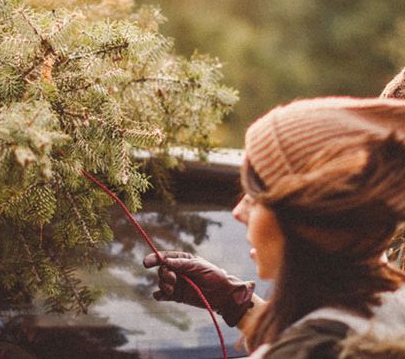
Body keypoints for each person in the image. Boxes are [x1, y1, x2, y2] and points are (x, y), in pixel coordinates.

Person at [144, 96, 405, 358]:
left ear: (307, 221)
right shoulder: (389, 314)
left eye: (254, 199)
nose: (238, 212)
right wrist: (233, 302)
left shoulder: (310, 350)